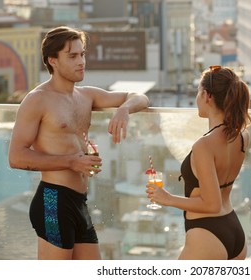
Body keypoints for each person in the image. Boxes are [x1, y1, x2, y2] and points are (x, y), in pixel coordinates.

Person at [8, 26, 149, 260]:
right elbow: (16, 157)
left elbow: (140, 97)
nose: (81, 61)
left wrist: (124, 110)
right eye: (72, 56)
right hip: (53, 200)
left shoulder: (86, 96)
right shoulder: (37, 100)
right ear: (52, 60)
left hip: (80, 201)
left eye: (82, 54)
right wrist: (72, 162)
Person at [146, 65, 251, 260]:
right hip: (234, 229)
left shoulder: (204, 145)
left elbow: (212, 205)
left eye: (198, 92)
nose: (196, 98)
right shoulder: (243, 135)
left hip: (207, 234)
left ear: (207, 96)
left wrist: (167, 198)